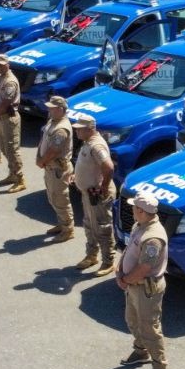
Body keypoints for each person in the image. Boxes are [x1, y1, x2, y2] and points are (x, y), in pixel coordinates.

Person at [116, 191, 169, 369]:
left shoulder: (153, 238)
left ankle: (159, 367)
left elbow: (145, 267)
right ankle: (141, 350)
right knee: (132, 319)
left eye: (134, 207)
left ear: (141, 211)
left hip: (146, 288)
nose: (132, 209)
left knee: (149, 327)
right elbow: (130, 249)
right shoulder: (140, 225)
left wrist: (126, 279)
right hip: (133, 284)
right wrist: (121, 270)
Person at [72, 112, 116, 275]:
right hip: (88, 194)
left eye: (79, 129)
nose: (76, 131)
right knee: (90, 225)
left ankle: (108, 261)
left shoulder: (96, 145)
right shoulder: (87, 142)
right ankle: (91, 255)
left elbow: (109, 167)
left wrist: (103, 186)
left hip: (97, 195)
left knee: (102, 228)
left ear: (90, 129)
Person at [37, 96, 76, 242]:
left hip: (58, 169)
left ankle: (68, 229)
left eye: (52, 108)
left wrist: (42, 160)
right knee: (52, 197)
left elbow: (54, 150)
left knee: (61, 200)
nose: (49, 110)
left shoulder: (62, 129)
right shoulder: (53, 121)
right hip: (50, 167)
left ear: (60, 109)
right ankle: (62, 224)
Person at [0, 54, 25, 192]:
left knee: (12, 149)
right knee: (5, 147)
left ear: (8, 65)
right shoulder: (0, 78)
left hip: (8, 117)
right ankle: (12, 174)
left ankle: (20, 178)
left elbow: (6, 102)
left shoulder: (10, 81)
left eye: (1, 64)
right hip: (0, 116)